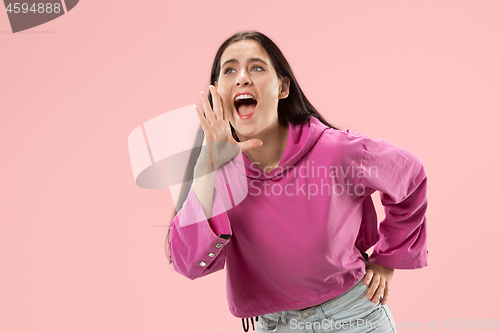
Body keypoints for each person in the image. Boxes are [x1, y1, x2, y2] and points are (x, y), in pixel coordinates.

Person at [166, 31, 428, 333]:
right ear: (217, 93)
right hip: (274, 326)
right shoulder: (215, 172)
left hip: (351, 318)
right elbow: (186, 262)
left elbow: (410, 175)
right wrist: (207, 168)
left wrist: (389, 258)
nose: (242, 78)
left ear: (282, 87)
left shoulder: (335, 150)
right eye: (229, 70)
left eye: (256, 67)